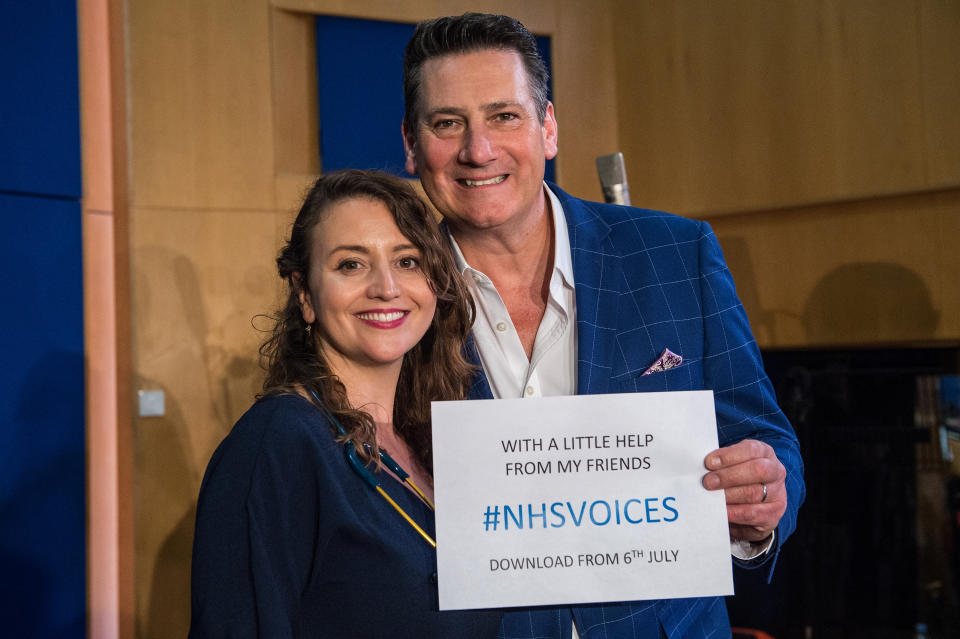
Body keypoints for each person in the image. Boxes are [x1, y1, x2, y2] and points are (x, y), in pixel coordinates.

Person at [400, 13, 805, 639]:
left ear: (548, 127)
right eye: (447, 123)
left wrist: (764, 501)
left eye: (504, 116)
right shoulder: (392, 295)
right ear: (411, 144)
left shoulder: (677, 253)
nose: (477, 149)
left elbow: (762, 435)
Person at [189, 169, 502, 638]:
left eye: (408, 261)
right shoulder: (278, 444)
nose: (386, 288)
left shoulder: (430, 442)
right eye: (351, 265)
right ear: (304, 293)